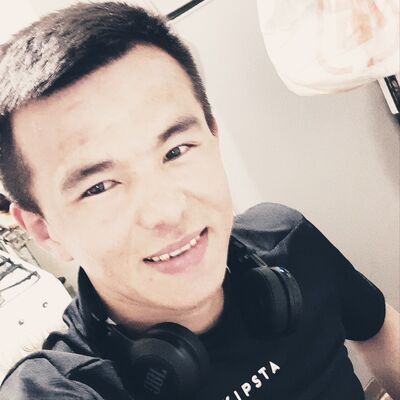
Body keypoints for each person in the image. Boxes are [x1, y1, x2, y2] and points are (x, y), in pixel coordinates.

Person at [0, 2, 398, 399]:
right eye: (100, 187)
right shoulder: (54, 389)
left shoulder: (288, 240)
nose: (168, 212)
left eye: (176, 151)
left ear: (213, 138)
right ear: (45, 231)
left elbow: (379, 330)